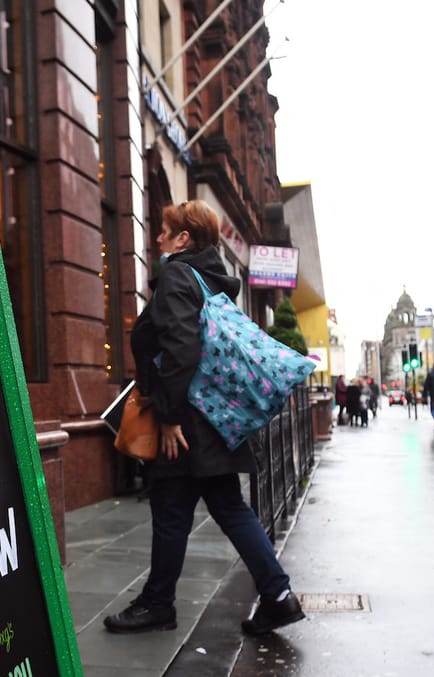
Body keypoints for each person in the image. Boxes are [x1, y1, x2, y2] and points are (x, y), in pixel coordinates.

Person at [104, 200, 304, 637]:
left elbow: (181, 348)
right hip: (216, 419)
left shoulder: (178, 275)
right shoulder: (210, 279)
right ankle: (278, 597)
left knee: (173, 510)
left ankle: (158, 605)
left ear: (184, 239)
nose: (158, 238)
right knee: (230, 507)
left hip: (187, 422)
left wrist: (171, 417)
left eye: (165, 230)